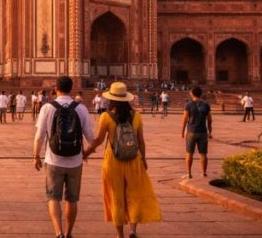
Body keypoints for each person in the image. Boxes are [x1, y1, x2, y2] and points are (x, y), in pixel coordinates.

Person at [84, 82, 161, 238]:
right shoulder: (137, 116)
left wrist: (86, 152)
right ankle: (133, 230)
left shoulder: (106, 116)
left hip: (113, 162)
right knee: (134, 194)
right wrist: (144, 159)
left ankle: (120, 235)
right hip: (134, 160)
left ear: (111, 99)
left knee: (116, 197)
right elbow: (141, 141)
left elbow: (98, 140)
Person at [34, 76, 95, 238]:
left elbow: (39, 136)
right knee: (72, 200)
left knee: (53, 198)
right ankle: (68, 233)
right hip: (75, 161)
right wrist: (86, 153)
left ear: (56, 89)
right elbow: (91, 138)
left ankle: (58, 232)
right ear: (71, 88)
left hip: (53, 159)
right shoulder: (81, 108)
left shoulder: (47, 107)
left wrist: (36, 156)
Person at [180, 86, 212, 179]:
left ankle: (189, 173)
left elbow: (185, 120)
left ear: (192, 94)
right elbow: (210, 120)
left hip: (191, 131)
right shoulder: (206, 105)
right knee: (203, 154)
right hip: (203, 132)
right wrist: (210, 132)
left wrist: (182, 132)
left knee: (189, 153)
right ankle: (204, 173)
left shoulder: (189, 105)